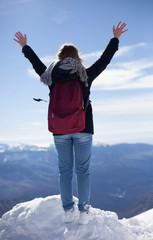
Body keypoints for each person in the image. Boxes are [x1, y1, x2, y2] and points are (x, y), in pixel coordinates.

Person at [13, 21, 128, 224]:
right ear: (77, 57)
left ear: (59, 57)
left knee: (64, 171)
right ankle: (84, 212)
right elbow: (104, 60)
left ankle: (68, 211)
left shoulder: (51, 76)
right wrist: (115, 39)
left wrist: (25, 47)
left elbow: (36, 64)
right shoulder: (84, 75)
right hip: (84, 127)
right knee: (83, 170)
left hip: (60, 130)